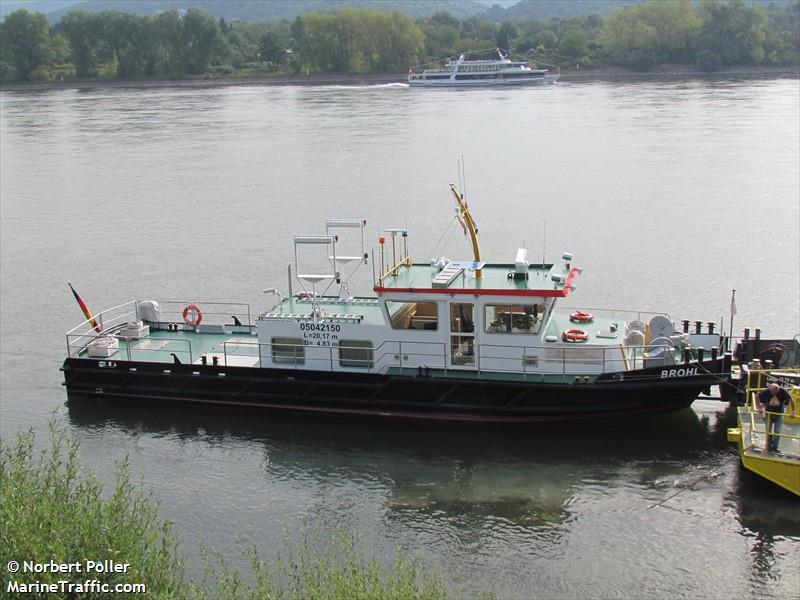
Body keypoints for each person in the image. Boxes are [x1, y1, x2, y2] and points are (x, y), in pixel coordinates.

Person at [756, 383, 797, 452]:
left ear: (778, 390)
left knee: (777, 431)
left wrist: (793, 411)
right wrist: (759, 408)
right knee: (768, 431)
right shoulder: (767, 391)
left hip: (779, 414)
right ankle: (769, 446)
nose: (772, 393)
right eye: (771, 391)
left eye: (774, 392)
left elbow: (791, 400)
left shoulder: (782, 391)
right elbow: (757, 397)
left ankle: (775, 447)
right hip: (768, 414)